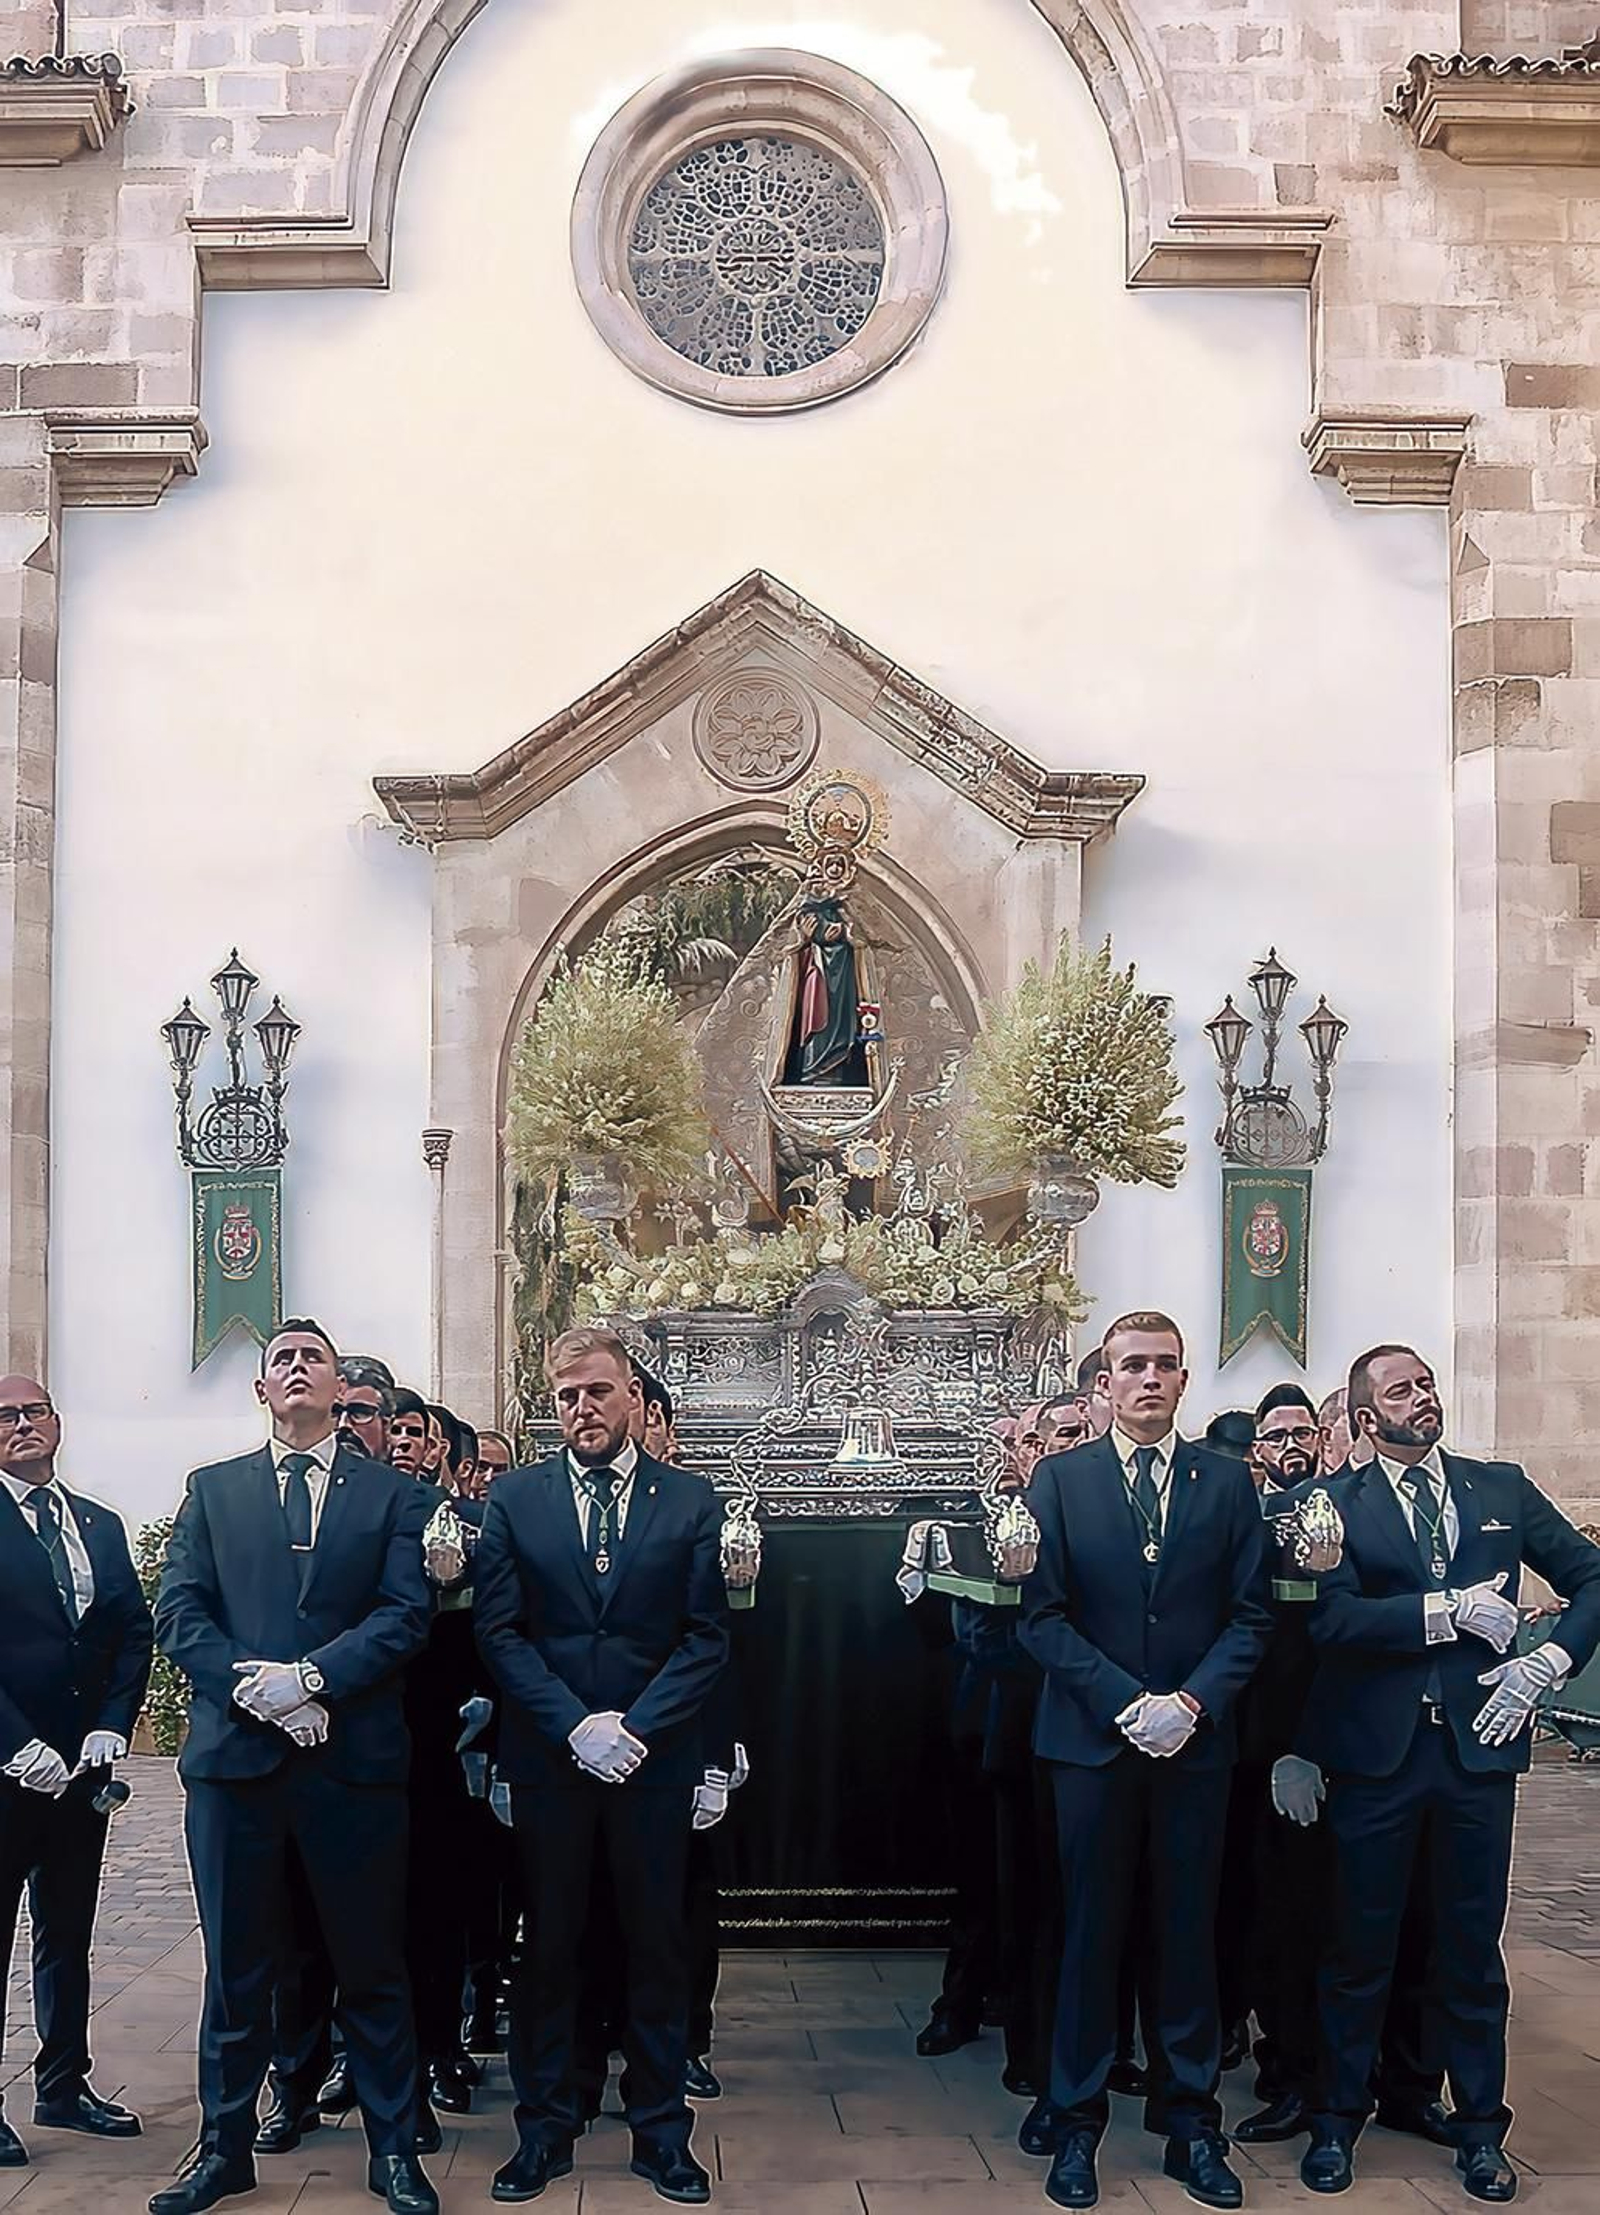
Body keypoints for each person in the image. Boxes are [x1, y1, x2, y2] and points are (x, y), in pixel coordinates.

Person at [1297, 1344, 1600, 2203]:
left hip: (1478, 1752)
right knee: (1360, 1945)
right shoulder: (1328, 1502)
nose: (1423, 1397)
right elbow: (1331, 1618)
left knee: (1471, 1950)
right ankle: (1335, 2118)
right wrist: (1443, 1611)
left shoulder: (1496, 1486)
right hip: (1378, 1755)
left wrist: (1551, 1664)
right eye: (1402, 1390)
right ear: (1365, 1419)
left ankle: (1479, 2129)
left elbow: (1591, 1575)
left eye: (1426, 1383)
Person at [152, 1320, 437, 2215]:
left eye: (315, 1356)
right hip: (237, 1769)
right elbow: (181, 1612)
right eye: (284, 1358)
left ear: (338, 1383)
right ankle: (223, 2147)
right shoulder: (213, 1490)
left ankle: (394, 2151)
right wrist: (260, 1692)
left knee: (371, 1964)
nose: (300, 1368)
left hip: (351, 1765)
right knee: (239, 1970)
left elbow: (404, 1613)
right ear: (262, 1388)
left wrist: (314, 1678)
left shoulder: (394, 1496)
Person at [1021, 1313, 1271, 2212]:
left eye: (1167, 1365)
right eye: (1134, 1366)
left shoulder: (1225, 1482)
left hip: (1195, 1748)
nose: (1152, 1379)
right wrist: (1128, 1702)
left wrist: (1191, 1704)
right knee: (1093, 1933)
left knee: (1186, 1934)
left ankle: (1191, 2125)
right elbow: (1042, 1617)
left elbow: (1251, 1616)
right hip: (1093, 1744)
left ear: (1183, 1378)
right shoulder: (1061, 1480)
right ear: (1105, 1382)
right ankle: (1078, 2120)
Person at [474, 1326, 729, 2206]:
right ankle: (544, 2127)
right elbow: (499, 1631)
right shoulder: (517, 1500)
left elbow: (705, 1637)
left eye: (598, 1391)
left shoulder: (691, 1501)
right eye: (566, 1395)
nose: (582, 1407)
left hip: (652, 1766)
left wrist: (638, 1728)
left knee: (655, 1949)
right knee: (549, 1949)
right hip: (553, 1760)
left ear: (633, 1399)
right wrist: (576, 1725)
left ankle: (661, 2131)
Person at [0, 1376, 154, 2169]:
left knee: (68, 1932)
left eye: (34, 1411)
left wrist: (111, 1723)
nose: (23, 1424)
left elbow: (132, 1628)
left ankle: (63, 2083)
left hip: (79, 1774)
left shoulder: (96, 1521)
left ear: (58, 1422)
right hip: (6, 1769)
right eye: (6, 1415)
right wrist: (12, 1742)